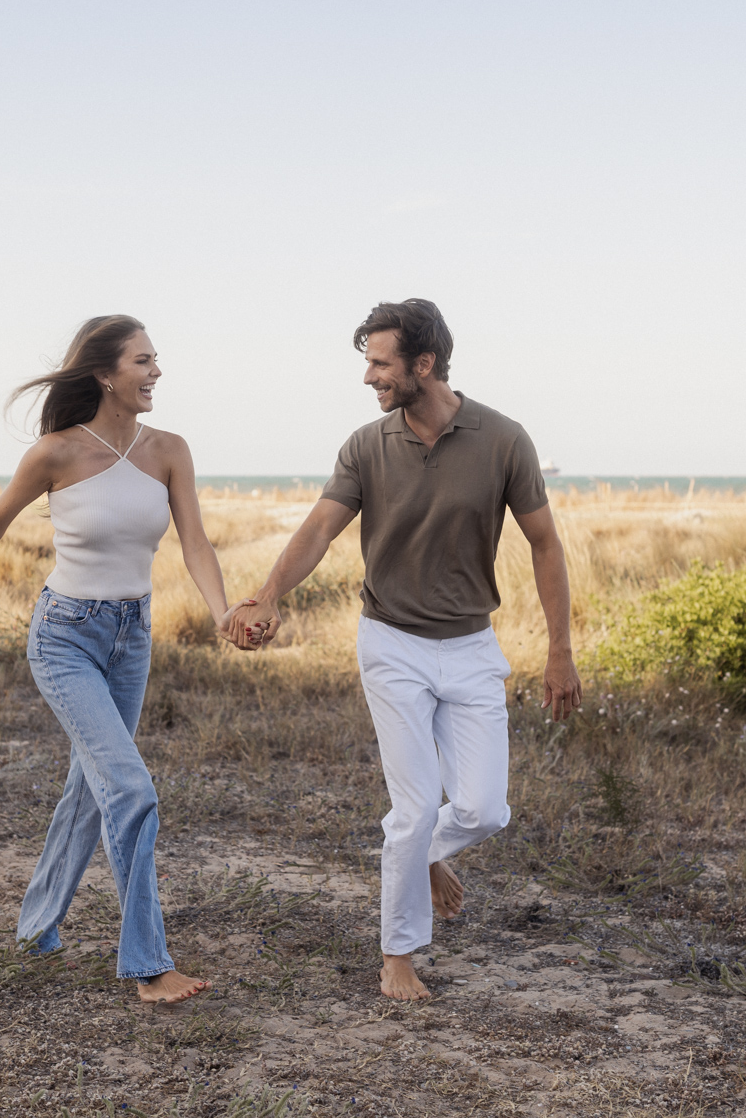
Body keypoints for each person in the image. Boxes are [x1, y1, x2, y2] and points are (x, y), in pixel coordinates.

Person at [221, 299, 582, 1001]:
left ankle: (419, 859)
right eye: (368, 362)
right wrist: (270, 594)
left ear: (425, 364)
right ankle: (398, 959)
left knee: (484, 810)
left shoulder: (504, 440)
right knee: (414, 810)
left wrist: (560, 651)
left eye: (380, 363)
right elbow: (320, 529)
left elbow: (545, 544)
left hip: (472, 645)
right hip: (391, 643)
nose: (368, 377)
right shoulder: (366, 445)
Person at [0, 314, 224, 1004]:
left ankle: (37, 928)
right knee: (129, 790)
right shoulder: (57, 453)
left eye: (156, 360)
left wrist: (223, 615)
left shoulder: (170, 450)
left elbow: (195, 542)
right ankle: (148, 967)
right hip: (65, 636)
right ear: (104, 374)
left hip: (132, 635)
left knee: (89, 790)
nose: (156, 371)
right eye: (143, 361)